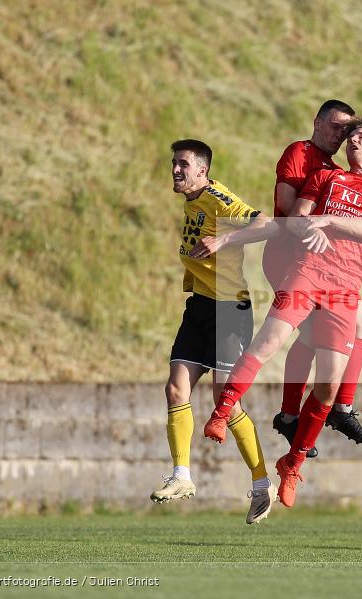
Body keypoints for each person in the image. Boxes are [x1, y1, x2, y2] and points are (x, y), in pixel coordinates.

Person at [203, 115, 362, 508]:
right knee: (270, 340)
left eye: (359, 138)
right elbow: (296, 217)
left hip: (346, 287)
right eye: (349, 138)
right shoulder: (326, 177)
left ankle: (292, 463)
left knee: (328, 384)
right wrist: (306, 227)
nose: (351, 143)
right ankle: (222, 411)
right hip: (308, 272)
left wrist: (329, 219)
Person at [151, 139, 277, 525]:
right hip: (201, 306)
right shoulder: (192, 202)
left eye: (183, 164)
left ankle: (261, 485)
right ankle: (182, 477)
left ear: (202, 171)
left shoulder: (219, 197)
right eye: (173, 162)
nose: (175, 169)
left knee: (225, 399)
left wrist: (224, 238)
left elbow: (266, 223)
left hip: (230, 309)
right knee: (175, 388)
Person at [266, 100, 362, 455]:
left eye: (346, 130)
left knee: (361, 324)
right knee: (325, 332)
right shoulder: (301, 151)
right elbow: (286, 206)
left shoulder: (333, 170)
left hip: (318, 263)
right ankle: (305, 413)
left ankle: (328, 409)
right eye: (334, 125)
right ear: (316, 122)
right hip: (288, 254)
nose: (339, 134)